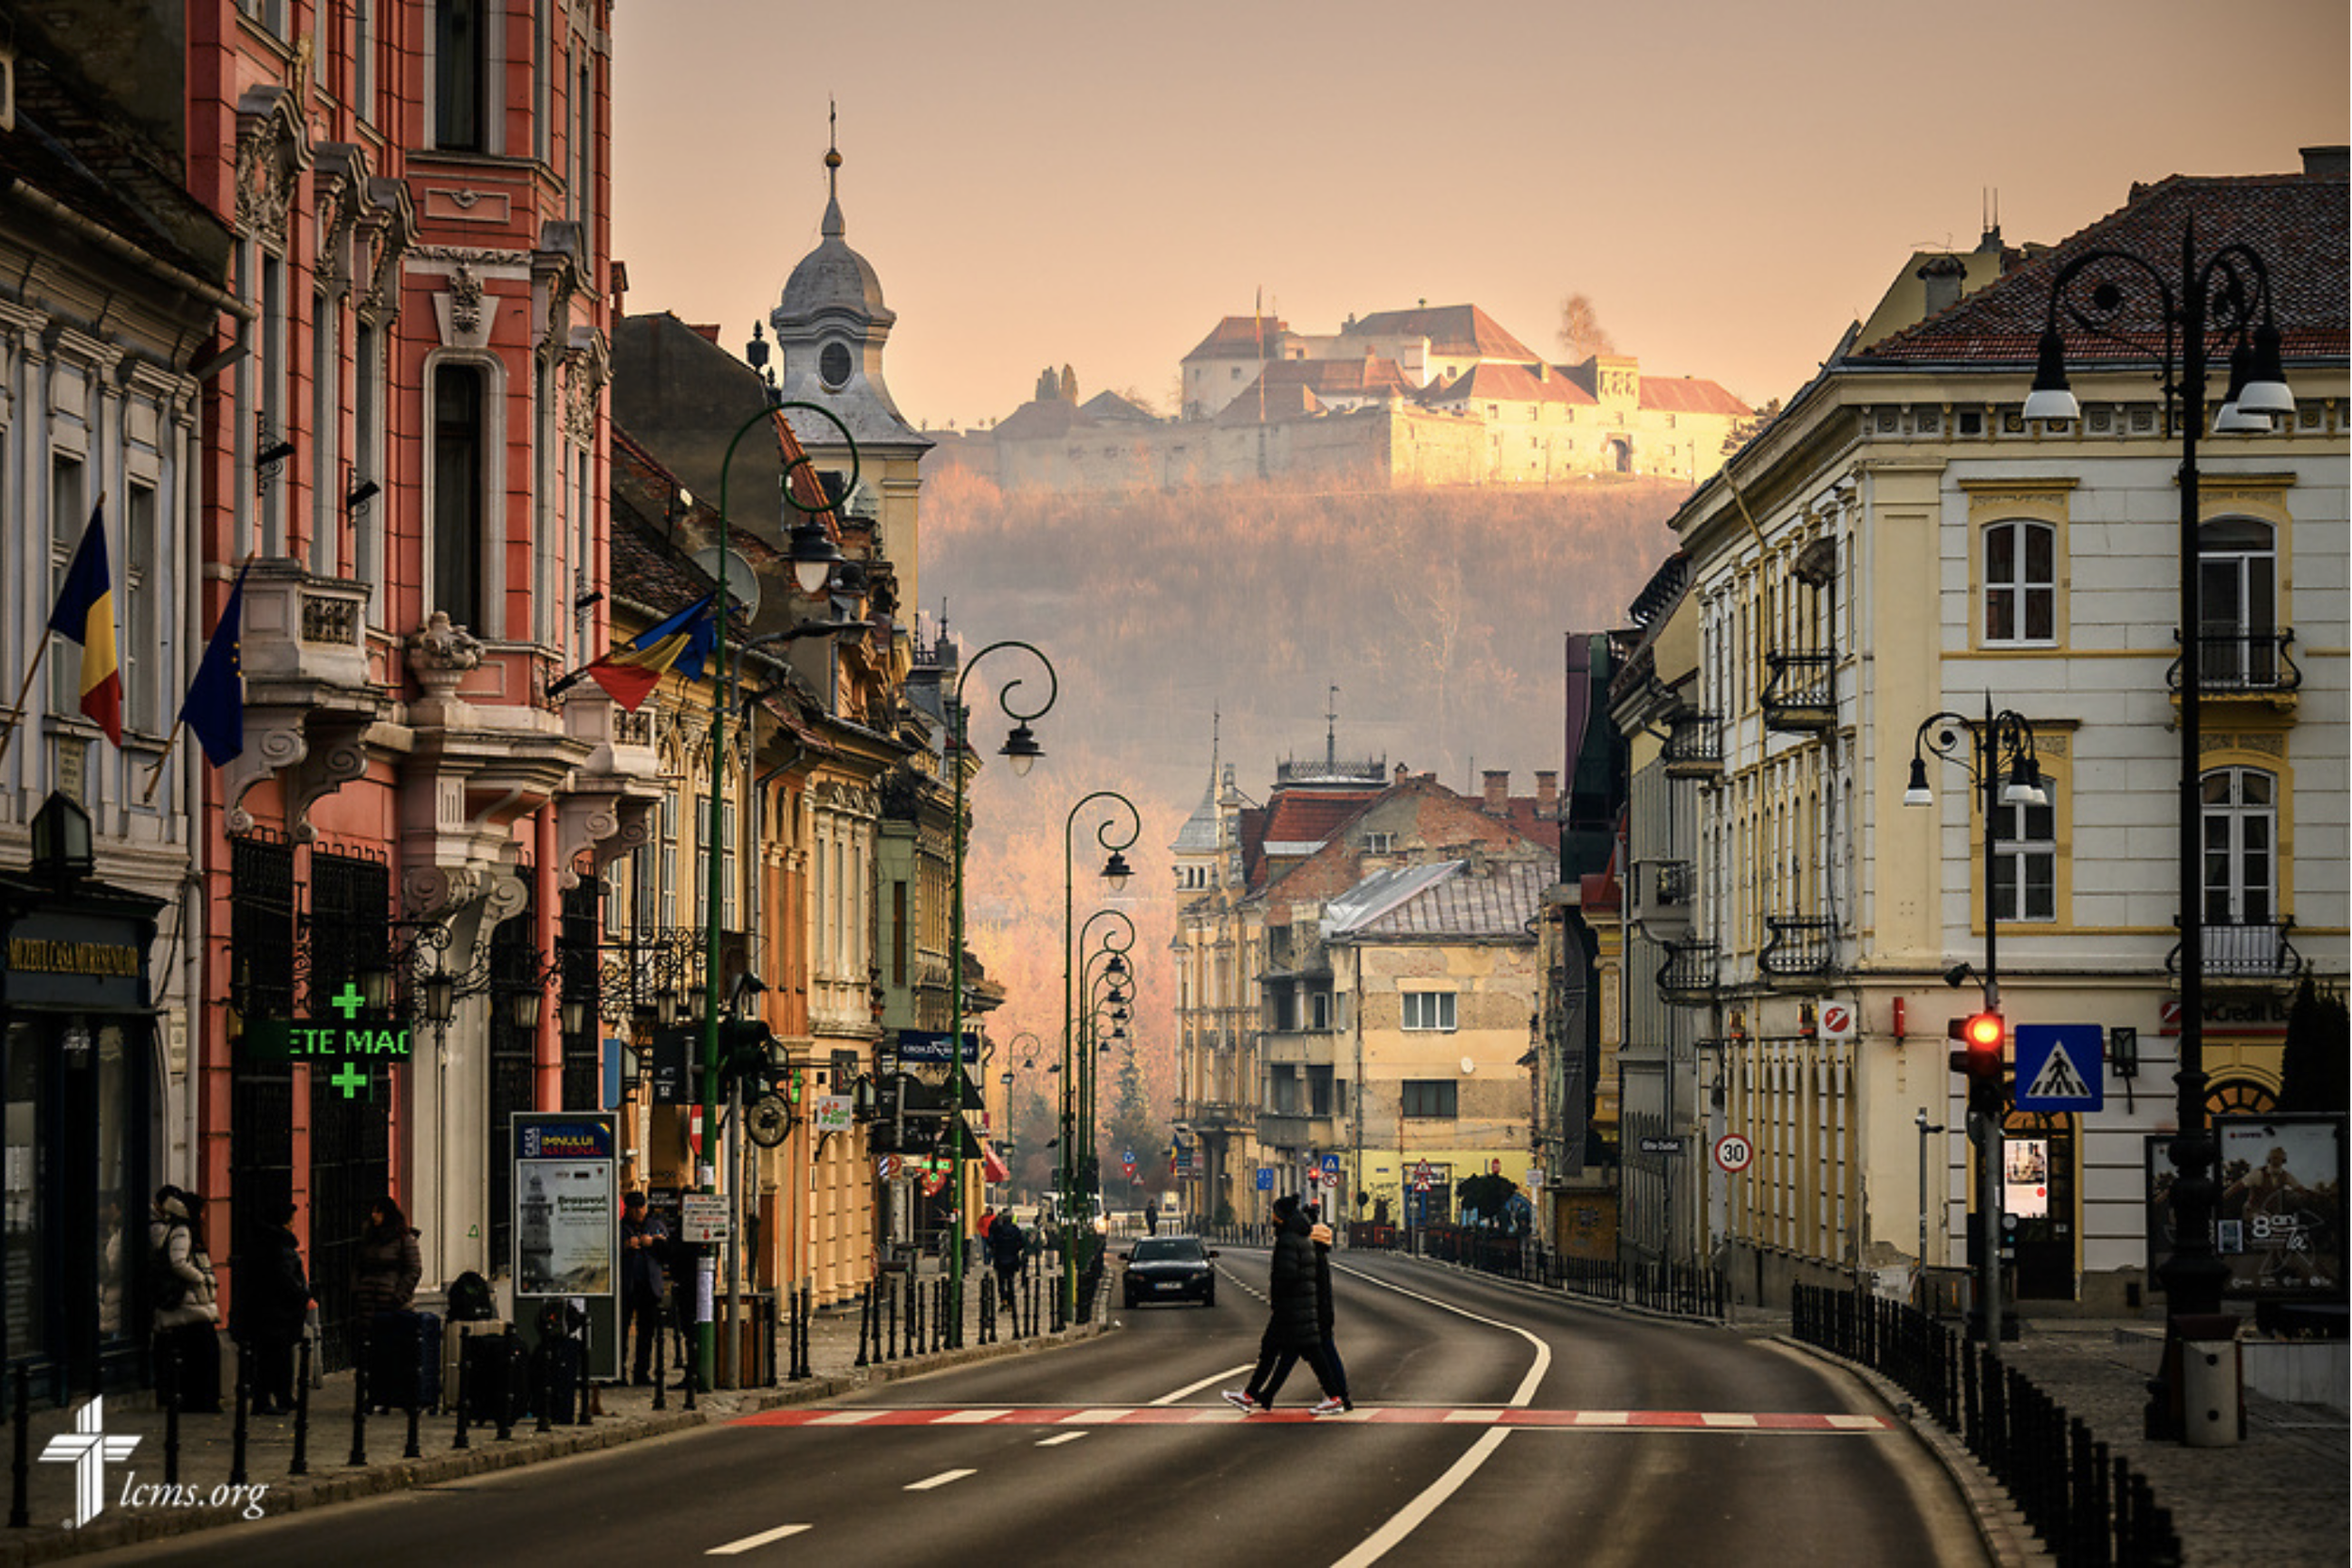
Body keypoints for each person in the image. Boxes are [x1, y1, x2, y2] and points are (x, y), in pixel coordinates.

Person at [1222, 1195, 1344, 1416]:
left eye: (1274, 1214)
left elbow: (1286, 1276)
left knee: (1287, 1351)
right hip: (1299, 1306)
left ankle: (1334, 1396)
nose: (1272, 1217)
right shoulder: (1303, 1238)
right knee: (1291, 1351)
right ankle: (1251, 1395)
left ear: (1282, 1217)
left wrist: (1277, 1298)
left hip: (1290, 1309)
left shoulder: (1288, 1241)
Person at [234, 1201, 311, 1416]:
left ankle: (279, 1396)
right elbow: (286, 1279)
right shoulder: (278, 1246)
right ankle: (268, 1399)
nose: (293, 1225)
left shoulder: (260, 1243)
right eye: (291, 1220)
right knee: (274, 1358)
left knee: (272, 1357)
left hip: (264, 1311)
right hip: (276, 1312)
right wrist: (302, 1295)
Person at [151, 1186, 223, 1413]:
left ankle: (197, 1399)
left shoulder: (176, 1229)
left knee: (197, 1353)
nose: (203, 1216)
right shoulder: (182, 1231)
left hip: (189, 1304)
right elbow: (178, 1262)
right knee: (205, 1351)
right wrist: (201, 1278)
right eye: (201, 1211)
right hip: (190, 1303)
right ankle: (202, 1400)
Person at [349, 1195, 422, 1402]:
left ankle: (388, 1393)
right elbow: (358, 1265)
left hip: (389, 1303)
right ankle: (370, 1392)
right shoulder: (368, 1237)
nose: (374, 1216)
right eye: (373, 1211)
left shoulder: (403, 1238)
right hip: (367, 1302)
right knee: (368, 1349)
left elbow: (413, 1269)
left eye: (378, 1212)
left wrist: (399, 1296)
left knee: (389, 1348)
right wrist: (357, 1289)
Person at [620, 1190, 669, 1386]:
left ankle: (641, 1372)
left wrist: (654, 1243)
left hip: (649, 1288)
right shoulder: (621, 1228)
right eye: (634, 1208)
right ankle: (619, 1372)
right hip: (626, 1286)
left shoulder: (655, 1225)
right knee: (621, 1332)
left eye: (641, 1207)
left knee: (646, 1333)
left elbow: (667, 1253)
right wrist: (625, 1245)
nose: (639, 1211)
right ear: (628, 1209)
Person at [987, 1208, 1025, 1312]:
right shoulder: (1016, 1230)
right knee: (1010, 1281)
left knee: (1001, 1282)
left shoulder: (998, 1229)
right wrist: (1015, 1250)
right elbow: (1022, 1243)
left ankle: (1004, 1300)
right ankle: (1011, 1303)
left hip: (1000, 1258)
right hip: (1012, 1258)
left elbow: (990, 1241)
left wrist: (996, 1249)